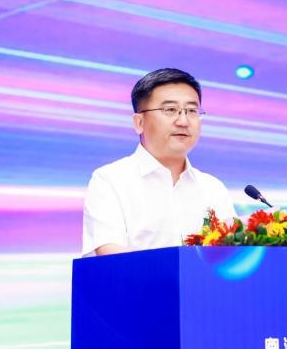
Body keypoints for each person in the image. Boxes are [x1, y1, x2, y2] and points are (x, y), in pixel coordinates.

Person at [82, 68, 236, 256]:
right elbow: (111, 255)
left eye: (192, 111)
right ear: (139, 122)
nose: (183, 121)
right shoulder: (110, 180)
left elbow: (231, 257)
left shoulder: (213, 188)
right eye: (170, 110)